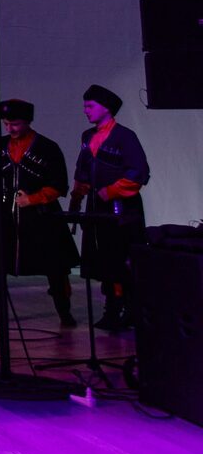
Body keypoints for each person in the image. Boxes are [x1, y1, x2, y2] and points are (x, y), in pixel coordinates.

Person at [0, 98, 79, 326]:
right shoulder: (1, 146)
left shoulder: (48, 148)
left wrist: (33, 199)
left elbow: (59, 185)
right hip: (8, 218)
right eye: (6, 124)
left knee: (55, 266)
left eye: (16, 124)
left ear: (28, 122)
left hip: (42, 219)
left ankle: (65, 313)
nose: (10, 129)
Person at [70, 83, 150, 331]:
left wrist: (110, 191)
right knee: (103, 258)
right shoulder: (87, 136)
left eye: (90, 106)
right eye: (85, 106)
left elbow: (139, 172)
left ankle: (130, 308)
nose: (86, 110)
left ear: (106, 108)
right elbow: (83, 169)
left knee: (121, 258)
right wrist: (78, 194)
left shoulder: (125, 136)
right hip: (96, 209)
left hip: (121, 209)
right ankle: (112, 308)